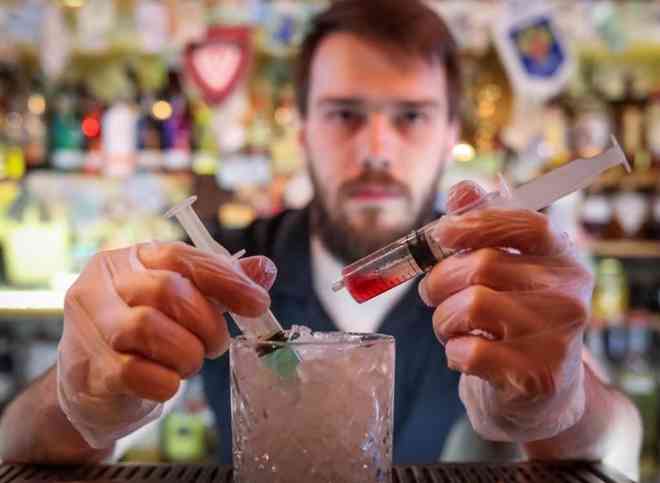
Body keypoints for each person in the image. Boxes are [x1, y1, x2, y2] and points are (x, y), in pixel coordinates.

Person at [0, 0, 641, 478]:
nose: (377, 151)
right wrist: (77, 396)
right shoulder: (227, 266)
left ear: (451, 134)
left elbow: (618, 448)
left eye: (411, 116)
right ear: (301, 126)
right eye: (345, 114)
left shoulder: (499, 283)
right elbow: (19, 448)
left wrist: (564, 408)